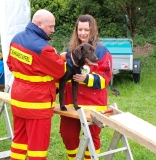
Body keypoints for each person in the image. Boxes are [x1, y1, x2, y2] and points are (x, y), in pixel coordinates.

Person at [6, 9, 66, 160]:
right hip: (37, 104)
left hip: (18, 100)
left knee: (19, 141)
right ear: (39, 24)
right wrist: (61, 57)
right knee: (37, 148)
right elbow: (60, 71)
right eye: (50, 26)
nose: (53, 30)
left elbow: (10, 64)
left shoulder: (16, 39)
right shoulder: (44, 49)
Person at [59, 14, 113, 160]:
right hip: (71, 103)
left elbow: (105, 79)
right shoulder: (69, 51)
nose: (82, 33)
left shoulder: (102, 52)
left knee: (91, 136)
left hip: (93, 104)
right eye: (80, 29)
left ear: (93, 30)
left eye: (86, 30)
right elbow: (59, 73)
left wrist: (86, 78)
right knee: (67, 134)